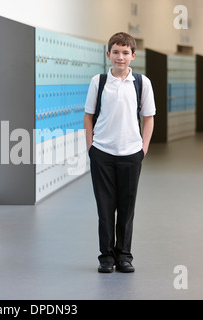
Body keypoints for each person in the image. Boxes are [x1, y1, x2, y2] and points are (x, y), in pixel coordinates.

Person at [83, 32, 156, 273]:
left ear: (133, 55)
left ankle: (124, 255)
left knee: (126, 208)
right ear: (108, 54)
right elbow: (88, 116)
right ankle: (106, 257)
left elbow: (148, 119)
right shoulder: (99, 81)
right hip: (102, 153)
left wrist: (142, 149)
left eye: (125, 53)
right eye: (115, 52)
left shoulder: (142, 83)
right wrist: (91, 148)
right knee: (105, 208)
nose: (120, 57)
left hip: (131, 154)